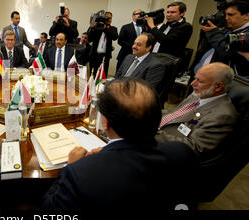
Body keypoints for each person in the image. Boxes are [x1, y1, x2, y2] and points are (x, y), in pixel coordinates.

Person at [42, 78, 197, 210]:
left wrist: (69, 166)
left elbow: (50, 209)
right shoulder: (183, 152)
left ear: (106, 123)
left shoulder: (79, 173)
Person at [156, 62, 238, 161]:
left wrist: (151, 133)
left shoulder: (223, 116)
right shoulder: (199, 95)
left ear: (218, 87)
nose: (192, 83)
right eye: (195, 78)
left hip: (166, 155)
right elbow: (173, 114)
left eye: (200, 81)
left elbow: (192, 148)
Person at [200, 0, 249, 77]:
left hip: (229, 83)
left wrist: (213, 32)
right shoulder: (228, 29)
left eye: (230, 15)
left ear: (247, 15)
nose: (226, 18)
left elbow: (225, 49)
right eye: (225, 14)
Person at [88, 11, 118, 76]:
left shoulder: (113, 29)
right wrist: (92, 28)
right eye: (107, 18)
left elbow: (115, 37)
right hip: (94, 55)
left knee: (103, 75)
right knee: (92, 74)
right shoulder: (96, 27)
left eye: (110, 18)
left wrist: (105, 28)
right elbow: (89, 39)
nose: (109, 20)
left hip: (105, 56)